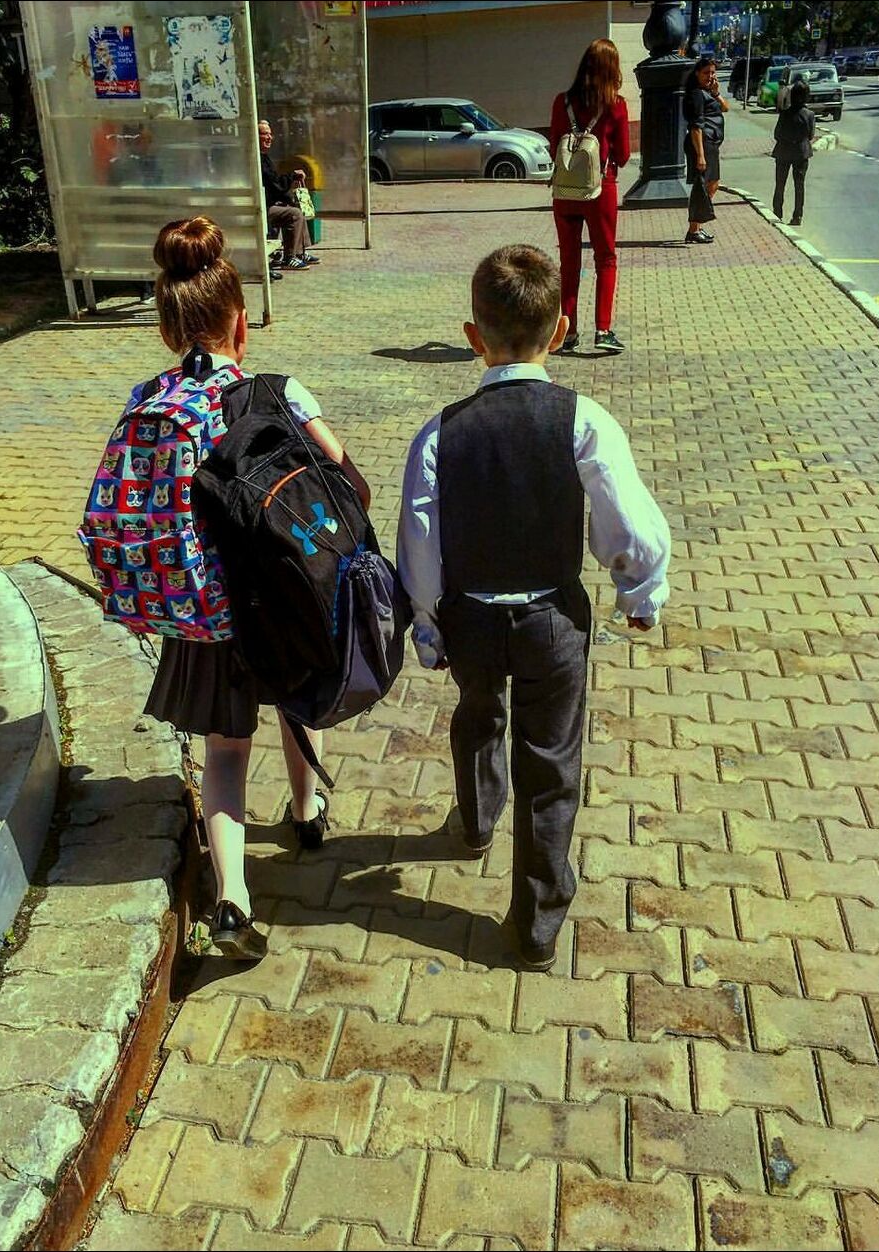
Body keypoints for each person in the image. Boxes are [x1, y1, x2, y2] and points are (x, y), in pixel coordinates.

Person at [397, 244, 670, 970]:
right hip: (553, 618)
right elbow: (627, 520)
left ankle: (476, 820)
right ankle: (538, 924)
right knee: (551, 766)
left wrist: (427, 623)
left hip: (471, 617)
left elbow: (419, 541)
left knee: (477, 712)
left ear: (472, 336)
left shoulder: (440, 432)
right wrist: (639, 591)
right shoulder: (584, 420)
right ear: (561, 329)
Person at [142, 216, 370, 960]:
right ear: (241, 324)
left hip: (207, 611)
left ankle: (233, 903)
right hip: (286, 597)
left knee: (225, 756)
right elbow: (351, 483)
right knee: (300, 705)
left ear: (169, 328)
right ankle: (307, 811)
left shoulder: (150, 402)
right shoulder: (278, 391)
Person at [549, 38, 631, 355]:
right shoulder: (616, 105)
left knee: (569, 263)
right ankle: (603, 329)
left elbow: (555, 146)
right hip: (600, 190)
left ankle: (568, 331)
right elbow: (623, 155)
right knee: (605, 258)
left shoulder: (561, 102)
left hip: (565, 192)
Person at [258, 119, 320, 271]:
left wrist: (289, 199)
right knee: (294, 214)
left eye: (270, 134)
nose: (269, 138)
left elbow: (274, 185)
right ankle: (290, 257)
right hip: (261, 208)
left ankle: (300, 253)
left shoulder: (263, 157)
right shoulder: (257, 159)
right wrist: (292, 176)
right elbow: (275, 185)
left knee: (295, 207)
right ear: (255, 136)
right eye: (265, 134)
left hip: (266, 204)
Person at [684, 55, 729, 244]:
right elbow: (696, 126)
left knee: (711, 184)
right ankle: (694, 229)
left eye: (712, 72)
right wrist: (700, 155)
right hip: (702, 144)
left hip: (711, 143)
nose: (710, 76)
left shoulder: (707, 92)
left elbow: (725, 108)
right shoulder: (696, 94)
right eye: (706, 73)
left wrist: (716, 92)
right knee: (704, 186)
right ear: (697, 74)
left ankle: (697, 227)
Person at [771, 79, 815, 226]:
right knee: (799, 185)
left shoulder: (785, 114)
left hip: (783, 151)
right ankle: (797, 216)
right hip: (801, 152)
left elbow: (777, 134)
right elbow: (810, 135)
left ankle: (777, 212)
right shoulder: (809, 114)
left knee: (780, 184)